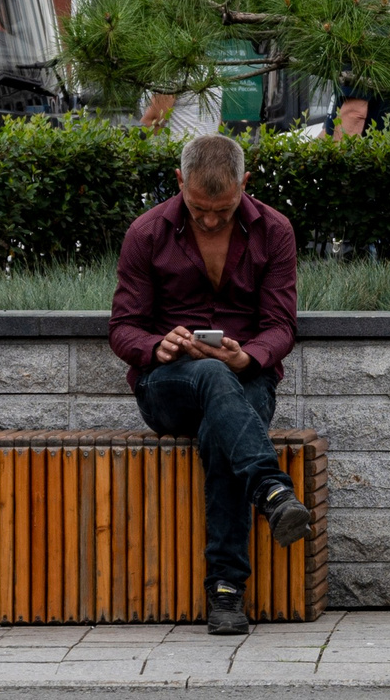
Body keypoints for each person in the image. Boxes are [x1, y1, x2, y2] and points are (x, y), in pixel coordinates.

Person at [110, 132, 313, 636]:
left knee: (221, 429)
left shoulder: (275, 231)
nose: (210, 219)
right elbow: (122, 327)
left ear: (246, 184)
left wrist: (250, 356)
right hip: (168, 387)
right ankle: (270, 489)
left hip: (245, 382)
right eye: (199, 208)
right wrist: (158, 346)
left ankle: (226, 593)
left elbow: (282, 326)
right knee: (205, 371)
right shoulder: (147, 232)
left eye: (223, 210)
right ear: (179, 182)